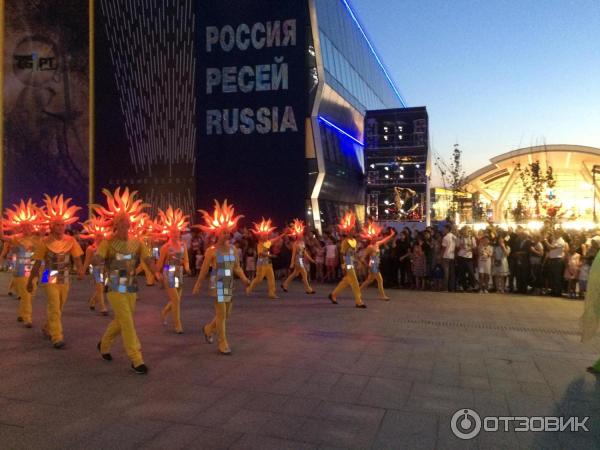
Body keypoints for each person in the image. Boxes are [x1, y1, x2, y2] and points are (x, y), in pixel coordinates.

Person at [92, 187, 159, 374]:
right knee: (128, 322)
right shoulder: (107, 243)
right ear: (115, 224)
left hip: (131, 288)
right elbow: (98, 258)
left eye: (127, 222)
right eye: (121, 223)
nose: (125, 225)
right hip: (114, 287)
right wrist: (95, 259)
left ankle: (104, 344)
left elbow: (147, 260)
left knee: (122, 321)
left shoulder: (137, 242)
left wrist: (159, 275)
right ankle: (136, 359)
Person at [193, 200, 250, 355]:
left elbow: (237, 267)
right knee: (221, 314)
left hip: (229, 282)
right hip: (217, 282)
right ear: (217, 233)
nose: (226, 234)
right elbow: (204, 269)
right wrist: (198, 284)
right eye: (223, 232)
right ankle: (222, 343)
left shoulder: (233, 250)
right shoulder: (211, 251)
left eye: (227, 232)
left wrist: (244, 279)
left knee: (226, 313)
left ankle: (208, 328)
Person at [27, 195, 84, 348]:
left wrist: (80, 270)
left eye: (62, 224)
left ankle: (47, 327)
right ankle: (57, 337)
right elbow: (38, 263)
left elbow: (77, 257)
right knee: (54, 305)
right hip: (48, 275)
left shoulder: (70, 240)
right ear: (51, 227)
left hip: (64, 276)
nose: (60, 227)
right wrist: (30, 280)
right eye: (57, 225)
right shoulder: (44, 242)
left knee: (59, 307)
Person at [1, 199, 42, 327]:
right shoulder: (15, 238)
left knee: (31, 293)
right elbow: (3, 237)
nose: (26, 228)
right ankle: (27, 318)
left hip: (33, 270)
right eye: (24, 226)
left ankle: (21, 313)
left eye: (29, 226)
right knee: (26, 293)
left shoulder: (37, 238)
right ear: (20, 227)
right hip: (19, 269)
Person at [156, 207, 191, 334]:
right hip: (168, 272)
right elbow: (159, 264)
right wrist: (157, 274)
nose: (176, 234)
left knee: (176, 299)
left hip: (179, 272)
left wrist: (187, 268)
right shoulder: (166, 247)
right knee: (176, 300)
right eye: (174, 232)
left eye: (178, 232)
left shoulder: (183, 246)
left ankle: (165, 312)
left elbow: (186, 260)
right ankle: (177, 324)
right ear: (169, 234)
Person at [328, 212, 365, 307]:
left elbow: (354, 253)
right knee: (355, 282)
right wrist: (343, 266)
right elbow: (341, 254)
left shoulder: (354, 241)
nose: (354, 231)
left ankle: (333, 295)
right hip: (348, 262)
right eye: (352, 230)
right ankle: (358, 301)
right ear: (348, 231)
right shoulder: (345, 242)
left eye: (354, 230)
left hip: (352, 261)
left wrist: (360, 260)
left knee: (347, 281)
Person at [246, 218, 285, 299]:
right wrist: (270, 255)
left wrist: (284, 234)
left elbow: (276, 239)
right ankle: (249, 288)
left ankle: (271, 293)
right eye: (265, 235)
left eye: (267, 235)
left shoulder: (267, 243)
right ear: (261, 237)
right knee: (258, 279)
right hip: (261, 265)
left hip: (268, 264)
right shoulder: (260, 244)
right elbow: (260, 253)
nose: (267, 236)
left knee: (271, 279)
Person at [81, 216, 111, 316]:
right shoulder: (90, 248)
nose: (101, 238)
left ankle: (93, 301)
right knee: (100, 287)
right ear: (94, 237)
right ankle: (103, 307)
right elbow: (86, 261)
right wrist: (82, 272)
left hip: (104, 269)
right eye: (98, 236)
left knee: (101, 287)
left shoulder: (106, 247)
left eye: (102, 236)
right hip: (95, 269)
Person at [359, 222, 395, 300]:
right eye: (375, 237)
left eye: (377, 237)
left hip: (376, 264)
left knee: (369, 280)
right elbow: (363, 257)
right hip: (373, 265)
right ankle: (382, 296)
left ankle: (358, 291)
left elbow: (385, 239)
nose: (377, 238)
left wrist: (391, 235)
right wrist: (366, 264)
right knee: (380, 279)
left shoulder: (377, 244)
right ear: (371, 238)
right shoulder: (370, 247)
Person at [281, 219, 316, 294]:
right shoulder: (295, 244)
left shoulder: (302, 242)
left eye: (302, 234)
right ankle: (308, 289)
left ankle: (285, 284)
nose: (301, 235)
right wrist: (292, 263)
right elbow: (293, 254)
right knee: (304, 273)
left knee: (295, 274)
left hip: (300, 259)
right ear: (297, 235)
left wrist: (311, 259)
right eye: (300, 234)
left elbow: (305, 252)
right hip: (297, 260)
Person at [456, 226, 476, 292]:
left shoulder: (472, 238)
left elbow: (474, 247)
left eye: (467, 231)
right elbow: (457, 246)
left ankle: (472, 285)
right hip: (461, 256)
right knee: (462, 272)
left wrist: (469, 248)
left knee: (471, 272)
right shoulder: (459, 238)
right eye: (464, 231)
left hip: (469, 257)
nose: (465, 232)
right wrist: (460, 246)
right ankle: (463, 286)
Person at [441, 224, 457, 292]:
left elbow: (443, 248)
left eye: (444, 229)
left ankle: (445, 288)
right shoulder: (454, 237)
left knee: (446, 273)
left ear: (447, 229)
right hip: (452, 256)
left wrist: (440, 256)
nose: (443, 230)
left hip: (446, 256)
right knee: (452, 273)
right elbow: (456, 247)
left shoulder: (445, 237)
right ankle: (452, 288)